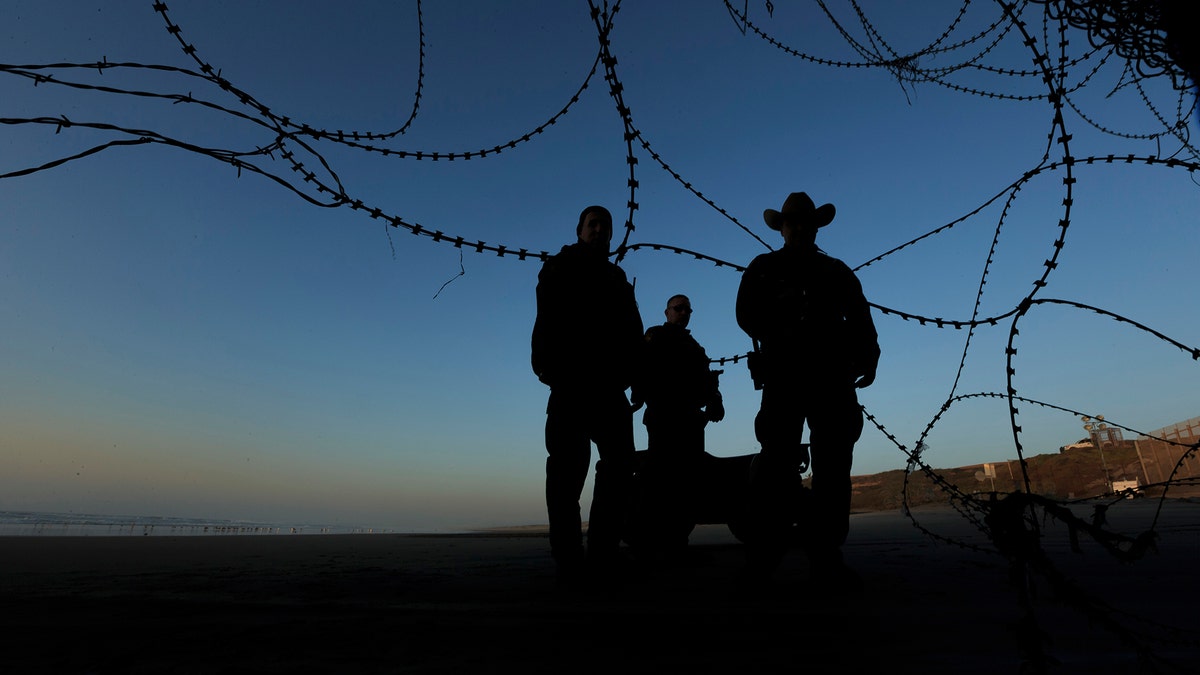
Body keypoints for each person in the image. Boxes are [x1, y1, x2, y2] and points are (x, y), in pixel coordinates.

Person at [735, 191, 880, 589]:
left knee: (833, 469)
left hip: (831, 380)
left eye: (804, 222)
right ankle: (764, 558)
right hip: (784, 378)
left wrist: (868, 357)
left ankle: (826, 557)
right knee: (775, 469)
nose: (798, 228)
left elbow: (861, 316)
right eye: (791, 222)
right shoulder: (763, 268)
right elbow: (746, 315)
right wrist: (782, 324)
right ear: (782, 228)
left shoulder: (836, 271)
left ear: (815, 227)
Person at [531, 205, 645, 583]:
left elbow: (633, 331)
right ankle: (567, 554)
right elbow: (544, 320)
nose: (599, 230)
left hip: (609, 388)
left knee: (618, 468)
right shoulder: (559, 268)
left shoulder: (616, 278)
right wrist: (547, 368)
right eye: (592, 224)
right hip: (570, 386)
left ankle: (603, 551)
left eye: (605, 225)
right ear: (579, 229)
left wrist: (633, 375)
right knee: (565, 473)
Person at [629, 295, 724, 558]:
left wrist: (715, 400)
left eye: (687, 309)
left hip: (691, 420)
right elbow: (640, 367)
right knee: (661, 478)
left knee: (688, 481)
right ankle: (652, 538)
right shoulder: (655, 337)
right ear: (667, 311)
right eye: (678, 308)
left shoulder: (694, 346)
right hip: (664, 417)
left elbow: (706, 379)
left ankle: (677, 539)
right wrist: (639, 395)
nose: (684, 313)